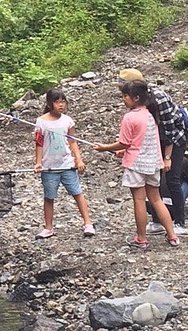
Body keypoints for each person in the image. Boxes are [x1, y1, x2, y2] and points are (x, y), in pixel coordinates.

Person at [94, 79, 179, 249]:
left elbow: (124, 142)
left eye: (125, 96)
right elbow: (139, 142)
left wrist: (105, 148)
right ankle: (172, 236)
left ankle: (141, 238)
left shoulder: (130, 117)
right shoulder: (150, 115)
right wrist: (123, 151)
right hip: (153, 163)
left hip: (136, 165)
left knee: (139, 200)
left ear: (136, 98)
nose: (124, 99)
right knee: (156, 199)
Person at [119, 67, 188, 232]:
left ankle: (179, 222)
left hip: (173, 142)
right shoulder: (137, 101)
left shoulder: (158, 97)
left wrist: (167, 157)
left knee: (172, 180)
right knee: (157, 185)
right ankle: (158, 221)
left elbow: (170, 128)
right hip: (153, 144)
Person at [33, 87, 96, 239]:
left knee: (77, 193)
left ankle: (88, 223)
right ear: (49, 104)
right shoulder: (41, 122)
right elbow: (39, 143)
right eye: (57, 102)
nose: (61, 105)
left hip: (67, 164)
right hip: (49, 167)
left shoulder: (68, 121)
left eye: (63, 102)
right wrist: (38, 162)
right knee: (49, 197)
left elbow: (73, 142)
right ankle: (48, 228)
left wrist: (78, 159)